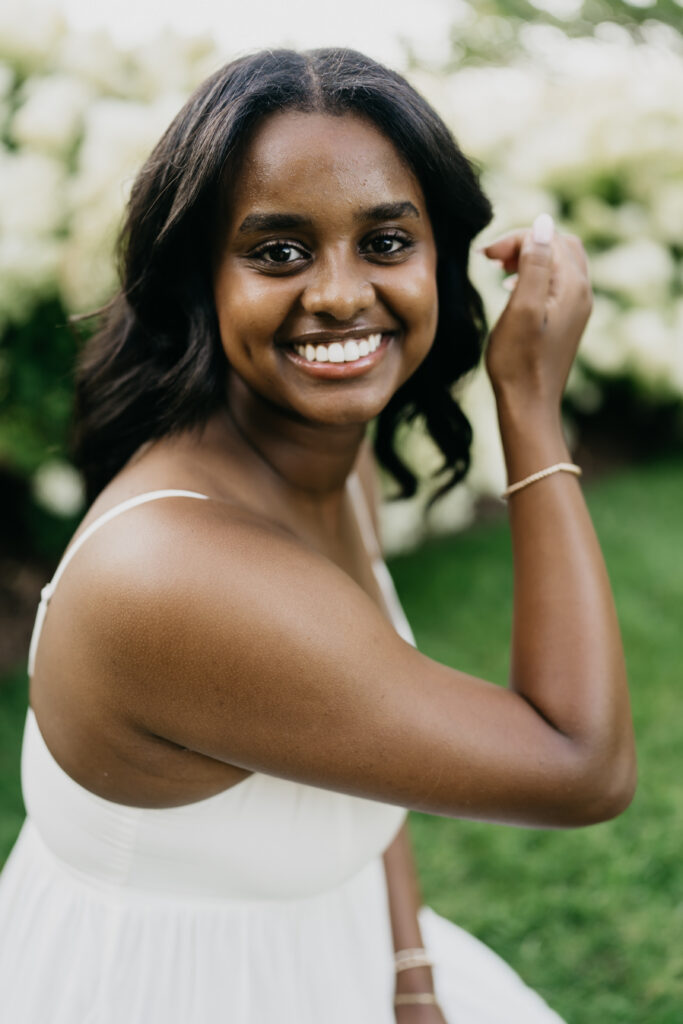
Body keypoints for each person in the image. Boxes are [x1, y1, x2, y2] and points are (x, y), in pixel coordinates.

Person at [0, 47, 635, 1023]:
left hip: (325, 942)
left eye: (384, 241)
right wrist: (529, 407)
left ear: (440, 253)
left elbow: (353, 730)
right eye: (279, 251)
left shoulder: (305, 459)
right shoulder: (182, 575)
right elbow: (579, 764)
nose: (339, 293)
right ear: (198, 275)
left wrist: (411, 967)